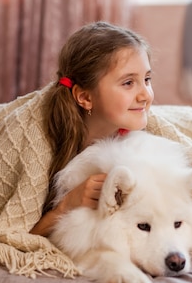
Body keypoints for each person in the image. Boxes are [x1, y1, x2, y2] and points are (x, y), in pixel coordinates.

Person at [30, 21, 154, 236]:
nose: (145, 96)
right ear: (85, 97)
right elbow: (18, 234)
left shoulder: (142, 124)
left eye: (147, 79)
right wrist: (67, 205)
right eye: (128, 83)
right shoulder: (36, 139)